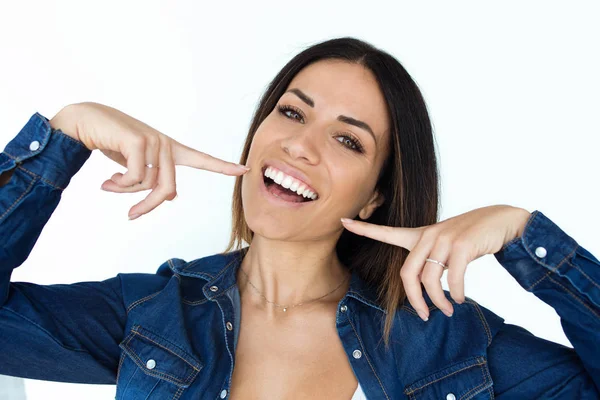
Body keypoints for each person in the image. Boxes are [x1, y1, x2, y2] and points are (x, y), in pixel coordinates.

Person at [0, 37, 598, 399]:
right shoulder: (158, 318)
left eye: (348, 142)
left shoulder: (445, 338)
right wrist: (64, 134)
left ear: (375, 197)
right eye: (291, 112)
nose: (301, 146)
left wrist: (526, 236)